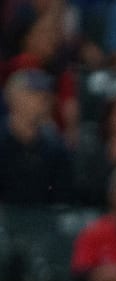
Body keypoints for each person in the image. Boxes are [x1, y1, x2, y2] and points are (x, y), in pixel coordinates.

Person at [0, 68, 72, 207]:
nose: (42, 100)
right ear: (13, 97)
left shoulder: (55, 148)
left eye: (46, 95)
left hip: (42, 226)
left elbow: (62, 199)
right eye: (34, 93)